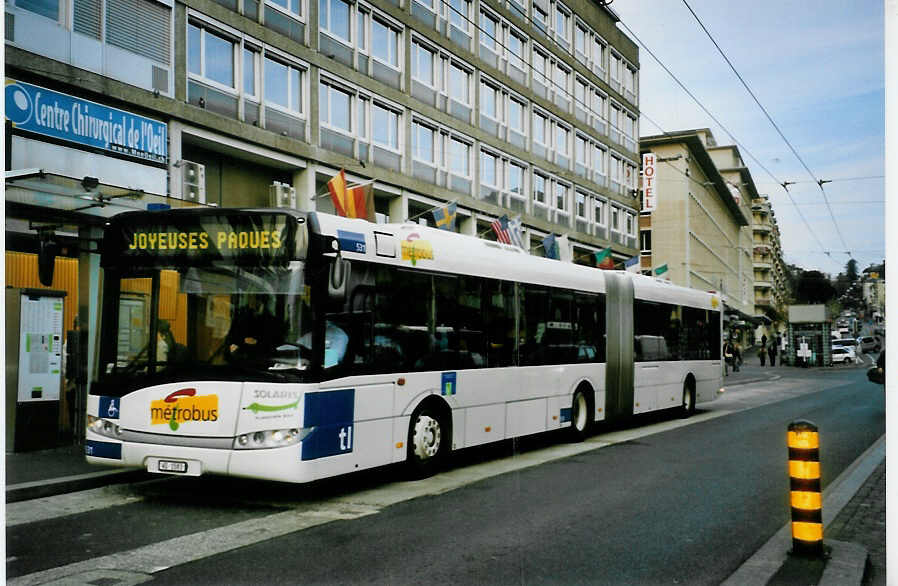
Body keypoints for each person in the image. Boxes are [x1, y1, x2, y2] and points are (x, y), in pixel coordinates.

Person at [226, 294, 285, 362]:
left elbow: (278, 342)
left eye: (252, 298)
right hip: (241, 362)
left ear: (260, 301)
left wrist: (258, 342)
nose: (250, 302)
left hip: (264, 362)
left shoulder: (273, 321)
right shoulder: (241, 318)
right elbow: (232, 337)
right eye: (249, 298)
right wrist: (240, 342)